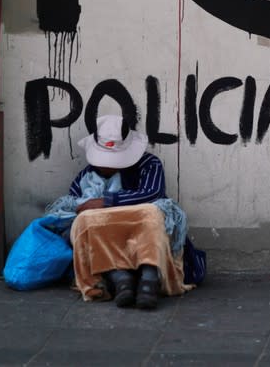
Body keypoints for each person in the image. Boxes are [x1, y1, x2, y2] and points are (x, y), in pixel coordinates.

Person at [50, 115, 193, 309]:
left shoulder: (149, 165)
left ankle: (149, 280)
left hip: (141, 235)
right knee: (82, 223)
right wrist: (83, 210)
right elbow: (73, 209)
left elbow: (152, 194)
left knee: (152, 213)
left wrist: (107, 202)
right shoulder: (86, 176)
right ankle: (120, 279)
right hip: (108, 243)